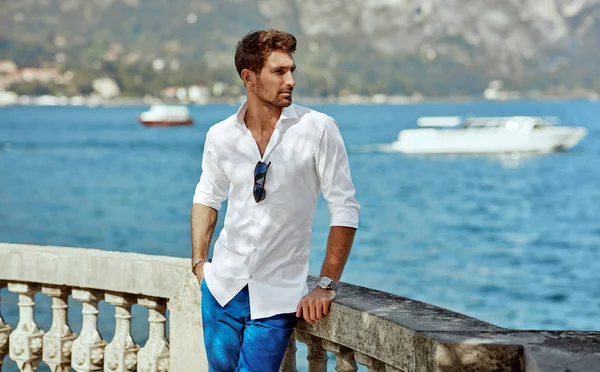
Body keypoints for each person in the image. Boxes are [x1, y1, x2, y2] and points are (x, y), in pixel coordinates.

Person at [191, 29, 360, 372]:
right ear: (249, 77)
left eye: (292, 70)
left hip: (277, 296)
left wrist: (326, 283)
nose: (291, 80)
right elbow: (207, 197)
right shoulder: (220, 135)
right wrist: (199, 265)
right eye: (279, 71)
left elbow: (345, 207)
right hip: (222, 289)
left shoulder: (319, 129)